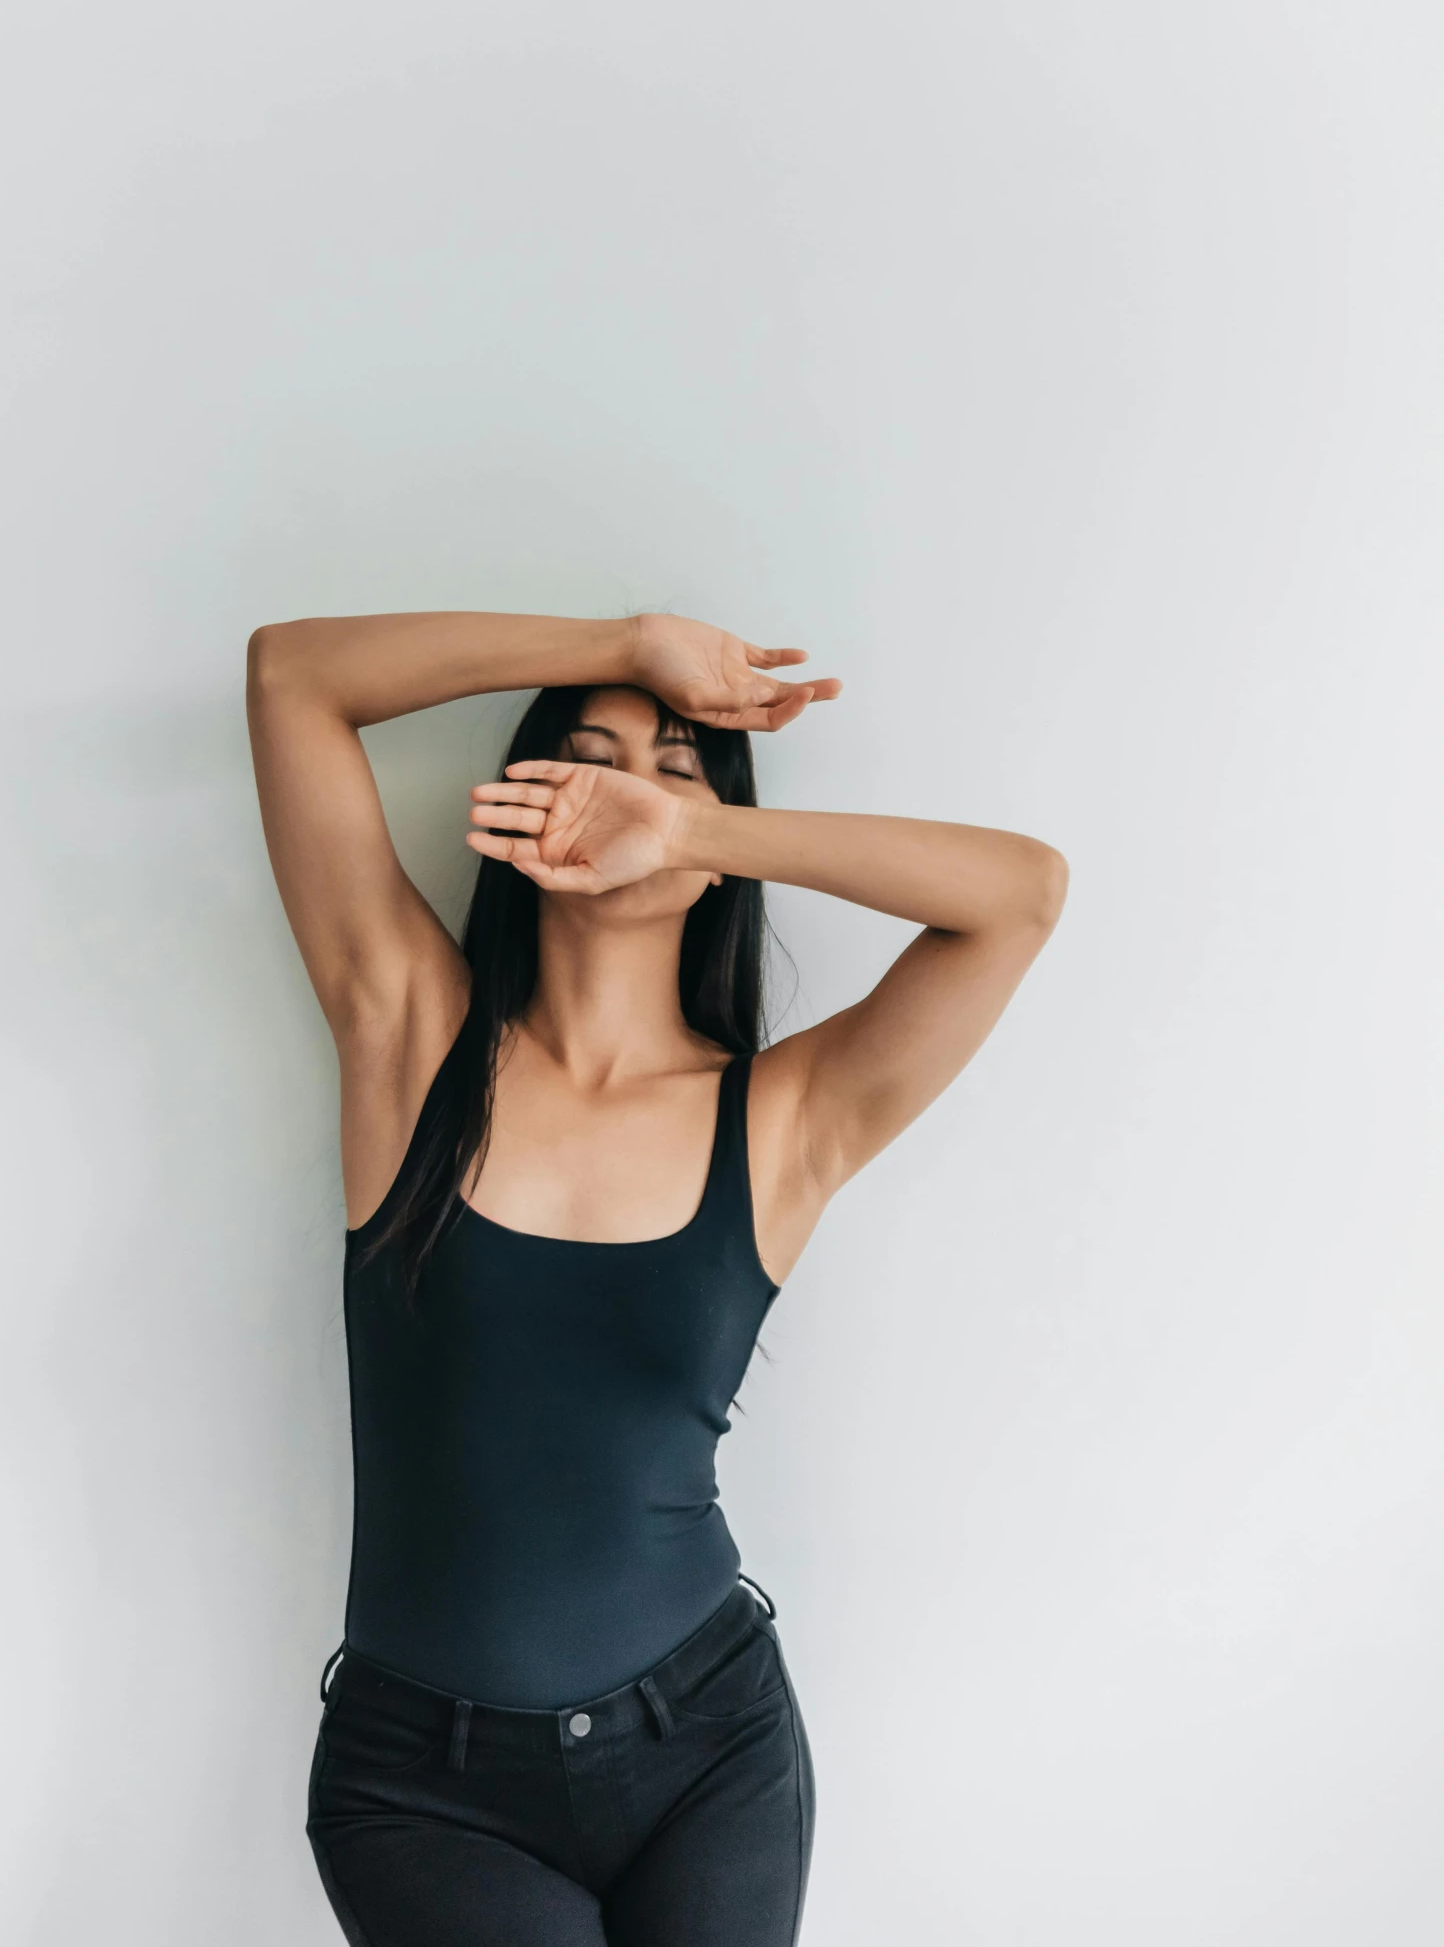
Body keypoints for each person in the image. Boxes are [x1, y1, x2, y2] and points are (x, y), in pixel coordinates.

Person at [246, 608, 1067, 1946]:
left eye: (671, 768)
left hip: (711, 1751)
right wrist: (626, 641)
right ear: (524, 797)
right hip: (423, 1791)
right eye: (587, 758)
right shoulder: (410, 1040)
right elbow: (292, 678)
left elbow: (1022, 892)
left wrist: (690, 830)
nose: (625, 789)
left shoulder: (783, 1119)